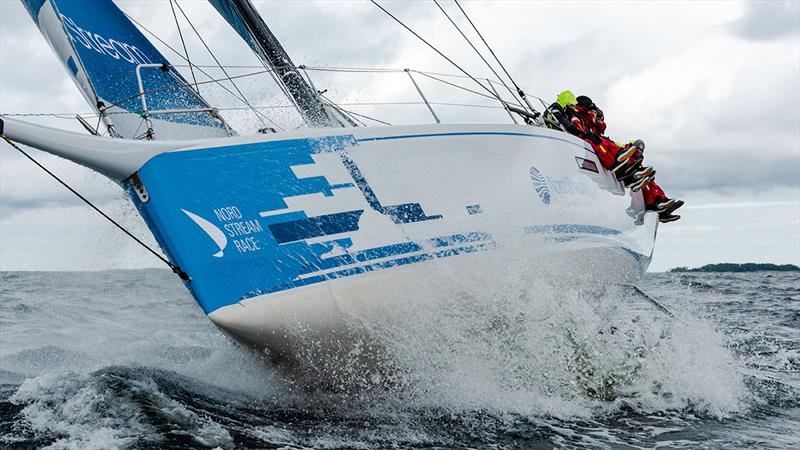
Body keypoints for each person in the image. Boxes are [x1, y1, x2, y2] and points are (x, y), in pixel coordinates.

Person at [549, 91, 683, 222]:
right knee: (599, 142)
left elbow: (614, 143)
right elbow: (578, 131)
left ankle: (658, 201)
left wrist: (632, 149)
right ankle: (624, 168)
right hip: (599, 155)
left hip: (605, 150)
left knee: (644, 175)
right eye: (597, 116)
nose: (598, 119)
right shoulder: (578, 119)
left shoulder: (593, 127)